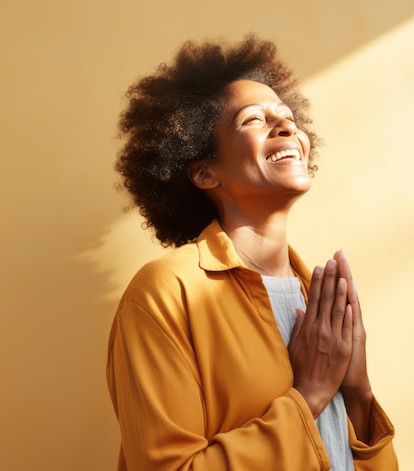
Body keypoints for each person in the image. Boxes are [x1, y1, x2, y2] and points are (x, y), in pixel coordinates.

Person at [106, 35, 398, 471]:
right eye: (252, 120)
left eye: (288, 117)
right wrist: (311, 394)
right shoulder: (167, 294)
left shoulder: (315, 297)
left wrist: (357, 392)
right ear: (205, 171)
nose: (285, 127)